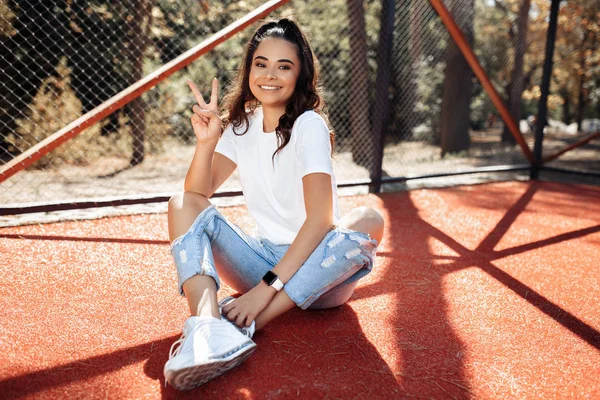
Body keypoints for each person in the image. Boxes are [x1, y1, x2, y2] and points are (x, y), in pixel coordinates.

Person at [163, 18, 385, 391]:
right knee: (181, 203)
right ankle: (207, 326)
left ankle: (249, 324)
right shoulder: (240, 126)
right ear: (249, 69)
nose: (270, 74)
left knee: (368, 219)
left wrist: (263, 291)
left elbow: (320, 221)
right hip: (262, 260)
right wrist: (206, 143)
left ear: (300, 76)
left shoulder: (308, 125)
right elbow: (198, 193)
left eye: (284, 66)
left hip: (320, 273)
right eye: (261, 63)